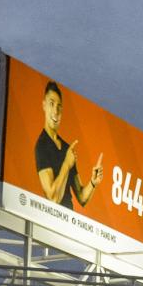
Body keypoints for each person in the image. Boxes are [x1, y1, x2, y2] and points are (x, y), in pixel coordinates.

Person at [34, 80, 104, 208]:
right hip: (52, 223)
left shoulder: (67, 148)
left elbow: (82, 197)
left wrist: (93, 183)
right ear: (44, 105)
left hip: (69, 222)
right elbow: (53, 199)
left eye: (59, 106)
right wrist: (66, 164)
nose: (56, 111)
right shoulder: (41, 146)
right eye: (51, 104)